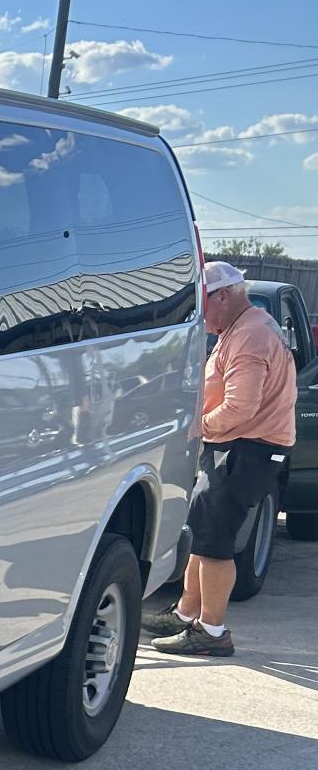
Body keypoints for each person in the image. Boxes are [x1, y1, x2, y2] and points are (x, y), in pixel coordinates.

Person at [143, 261, 297, 657]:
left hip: (245, 449)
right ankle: (186, 614)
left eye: (203, 306)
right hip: (239, 447)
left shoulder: (249, 336)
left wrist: (195, 429)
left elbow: (239, 407)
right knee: (204, 534)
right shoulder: (248, 327)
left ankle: (211, 632)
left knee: (215, 545)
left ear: (223, 295)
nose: (201, 318)